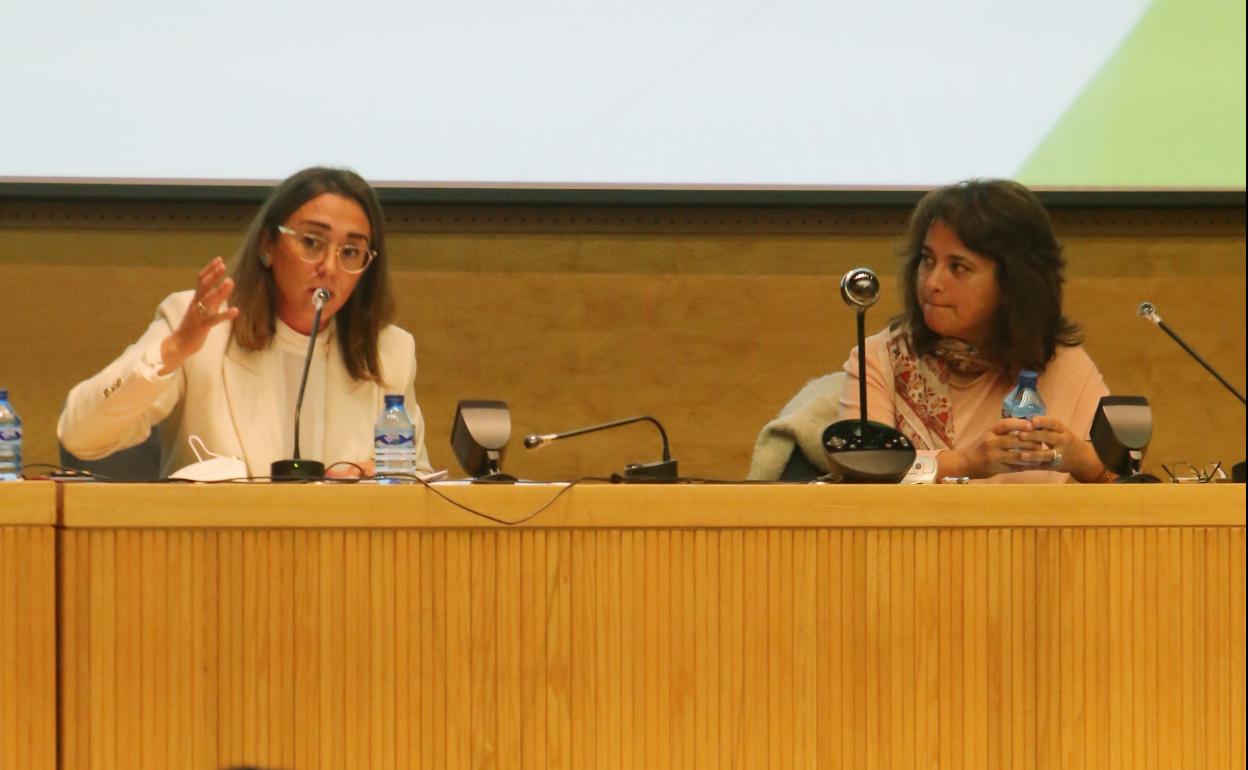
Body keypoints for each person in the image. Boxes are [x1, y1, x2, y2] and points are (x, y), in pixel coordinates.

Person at [58, 166, 433, 479]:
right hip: (215, 554)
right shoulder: (200, 329)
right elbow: (80, 436)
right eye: (313, 242)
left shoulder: (389, 352)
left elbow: (419, 483)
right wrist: (173, 350)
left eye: (350, 251)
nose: (330, 268)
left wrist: (382, 481)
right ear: (268, 245)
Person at [839, 178, 1114, 483]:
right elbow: (862, 474)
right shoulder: (882, 359)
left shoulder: (1063, 362)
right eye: (927, 261)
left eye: (958, 267)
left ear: (1013, 283)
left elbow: (1123, 482)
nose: (932, 283)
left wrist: (1076, 459)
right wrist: (967, 462)